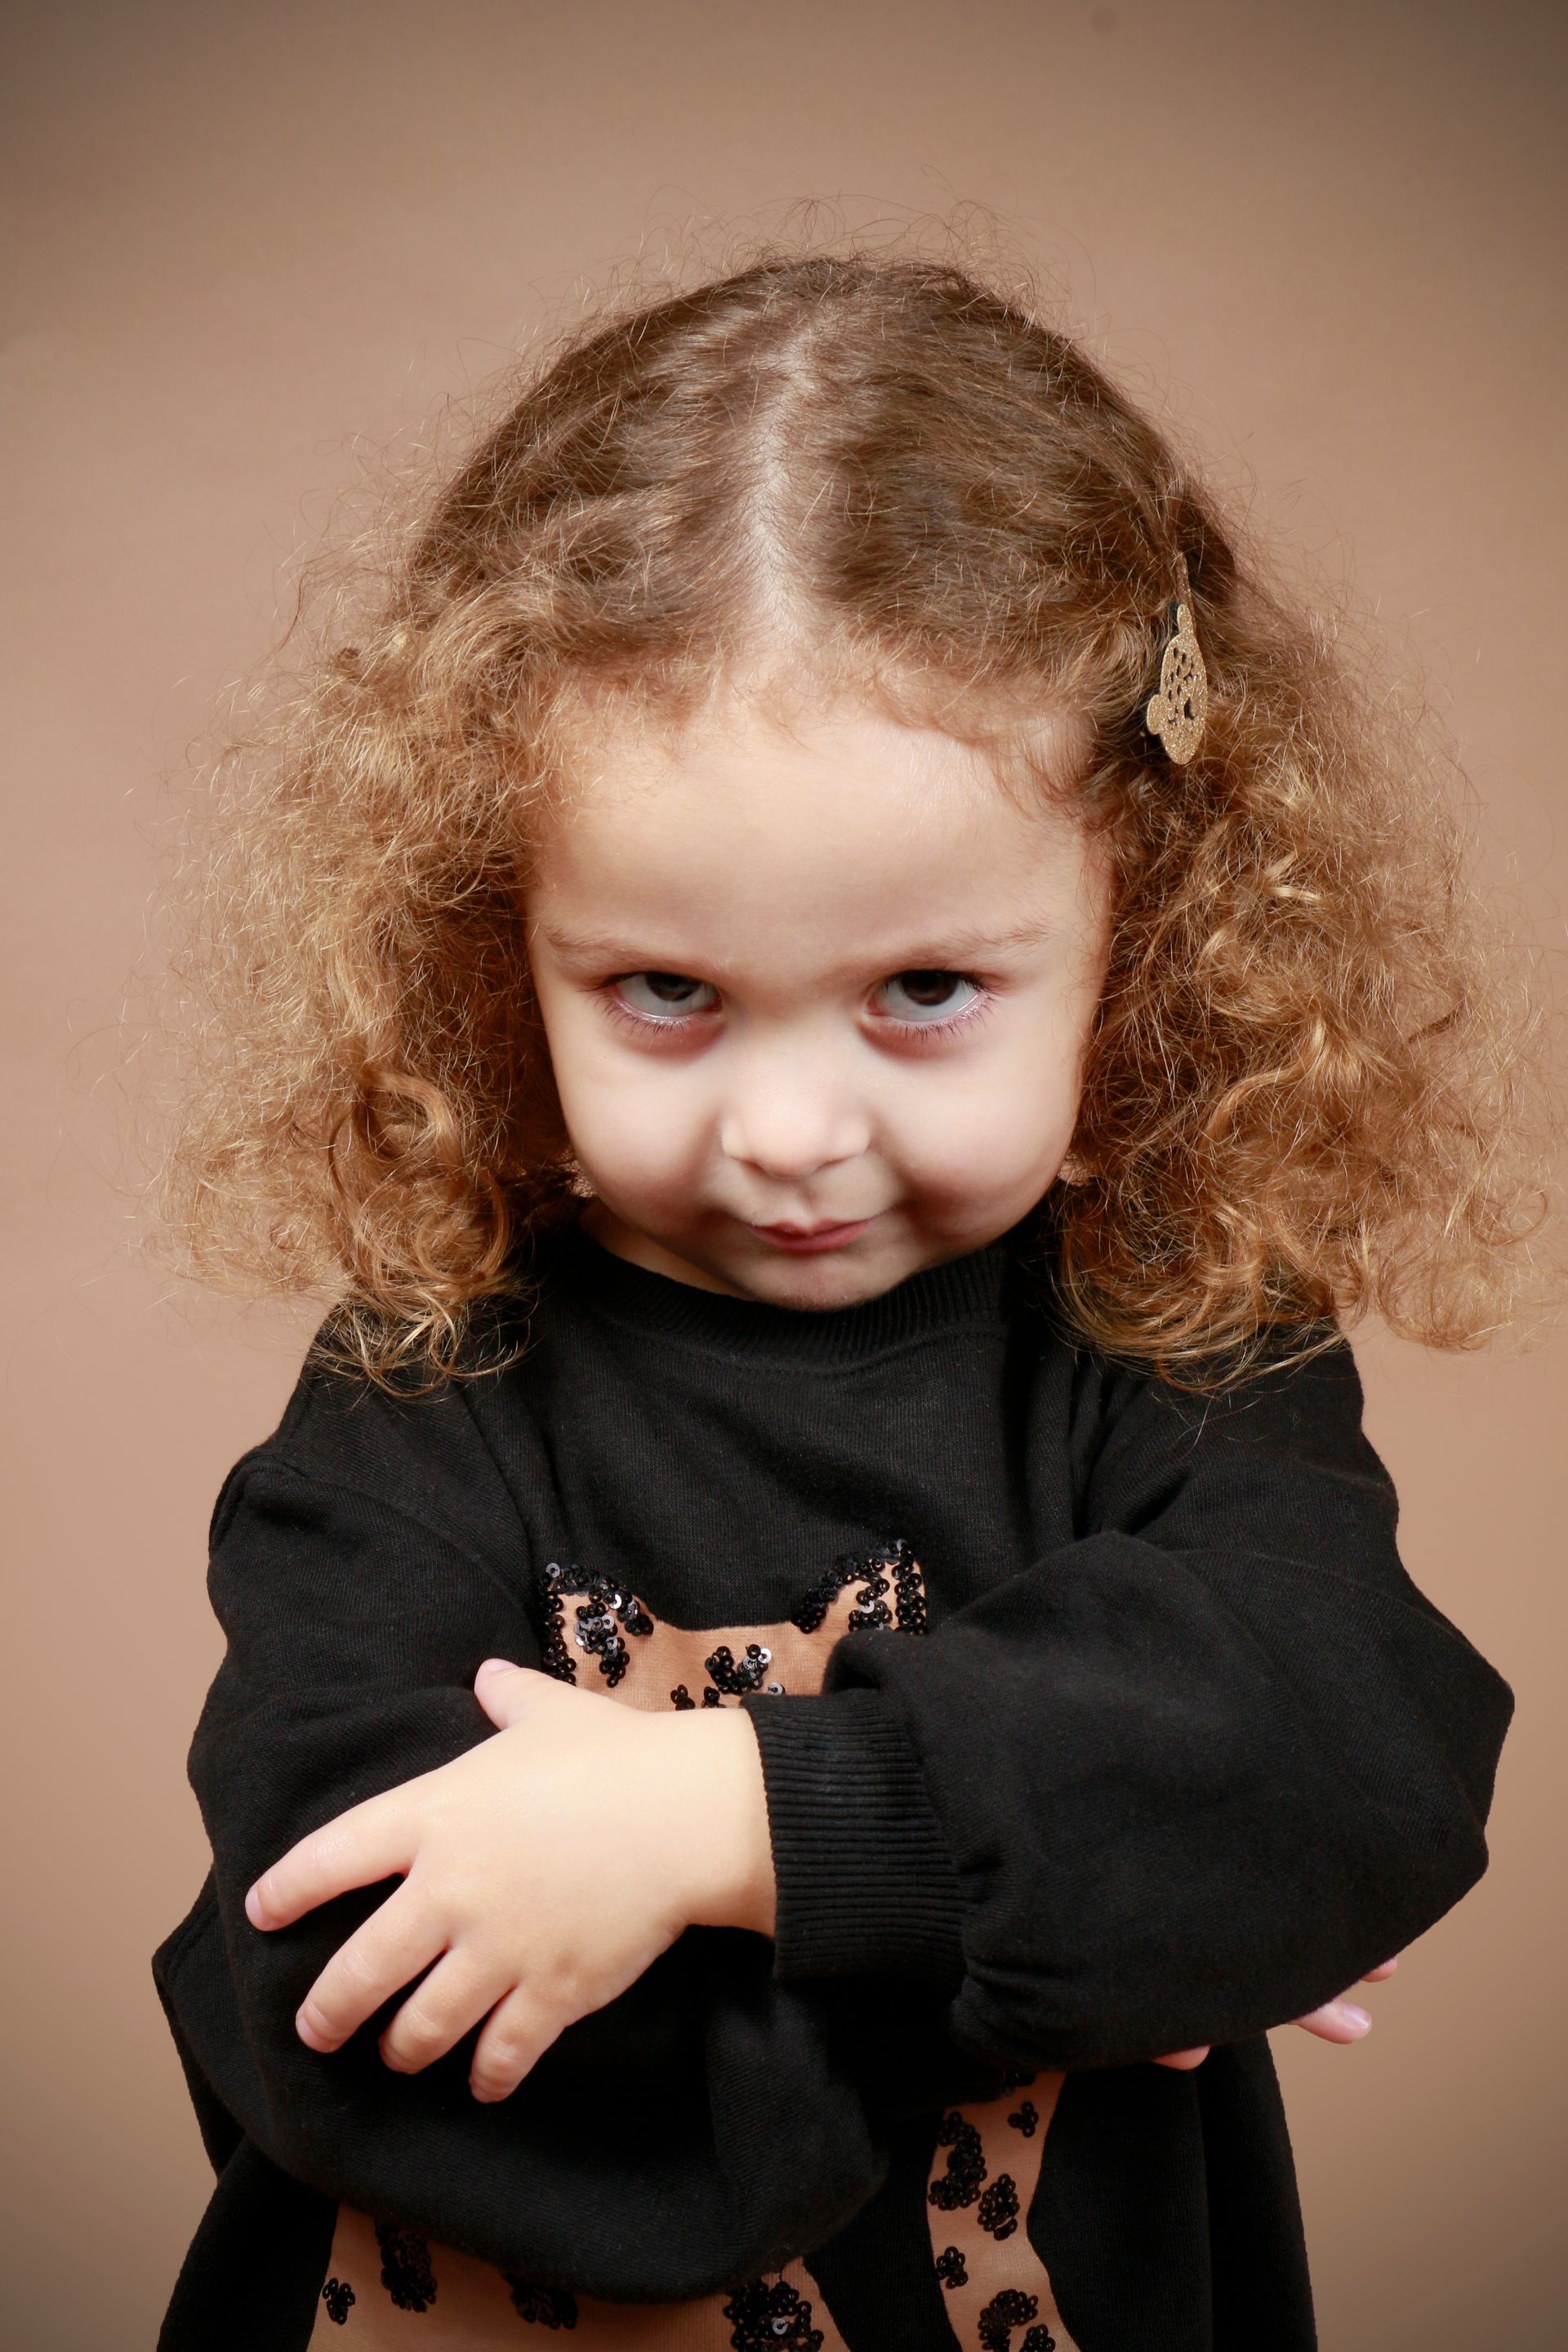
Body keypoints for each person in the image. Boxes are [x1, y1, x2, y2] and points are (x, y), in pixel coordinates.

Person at [153, 254, 1529, 2352]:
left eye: (927, 993)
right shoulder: (434, 1381)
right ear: (501, 953)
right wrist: (1064, 1916)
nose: (793, 1128)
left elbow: (1355, 1755)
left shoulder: (1173, 1347)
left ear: (1135, 953)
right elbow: (343, 2008)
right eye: (668, 994)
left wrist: (721, 1827)